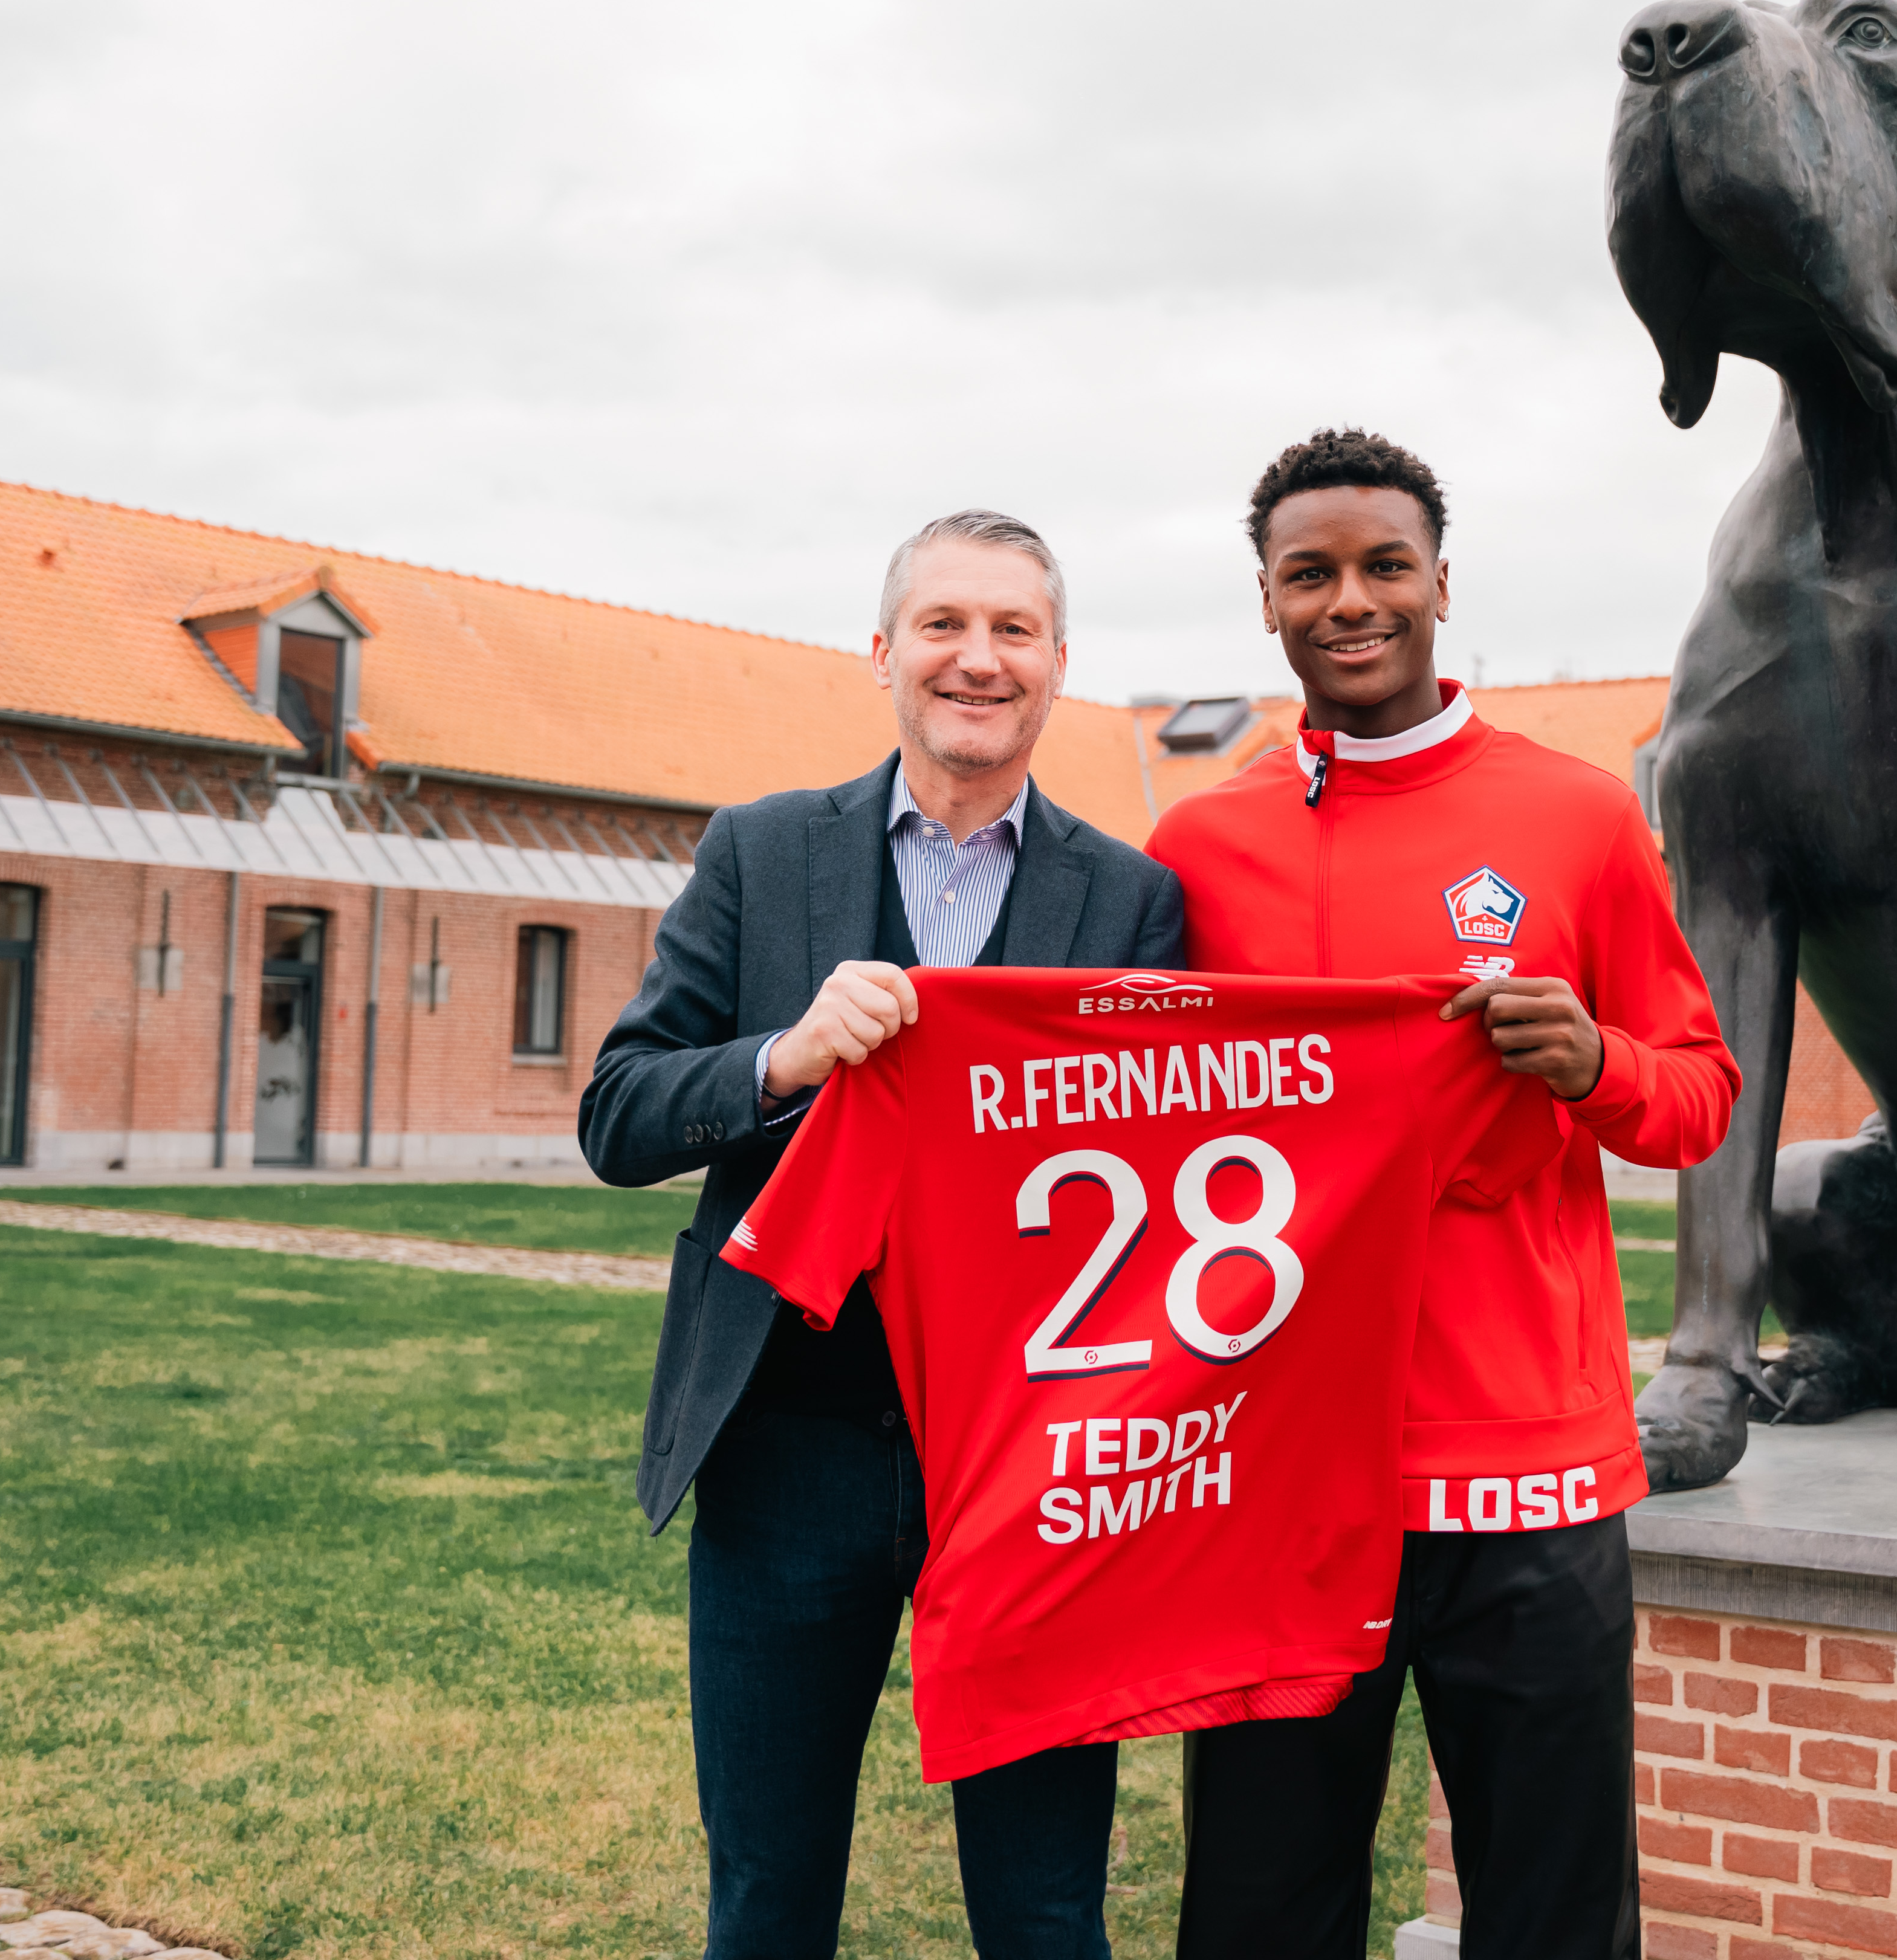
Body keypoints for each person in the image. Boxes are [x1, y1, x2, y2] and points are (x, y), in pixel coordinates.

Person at [1153, 431, 1739, 1960]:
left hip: (1527, 1474)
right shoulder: (1201, 846)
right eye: (1312, 573)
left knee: (1552, 1916)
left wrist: (1596, 1059)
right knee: (1261, 1912)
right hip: (1281, 1471)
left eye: (1383, 566)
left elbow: (1699, 1097)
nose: (1352, 600)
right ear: (1268, 603)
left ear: (1439, 584)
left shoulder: (1580, 816)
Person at [581, 508, 1184, 1960]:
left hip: (1032, 1466)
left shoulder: (1134, 898)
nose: (977, 659)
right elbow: (618, 1114)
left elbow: (1165, 1182)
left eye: (1013, 631)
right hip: (791, 1441)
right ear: (884, 650)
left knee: (1046, 1907)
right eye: (944, 625)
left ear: (1058, 667)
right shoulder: (764, 850)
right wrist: (781, 1056)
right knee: (770, 1891)